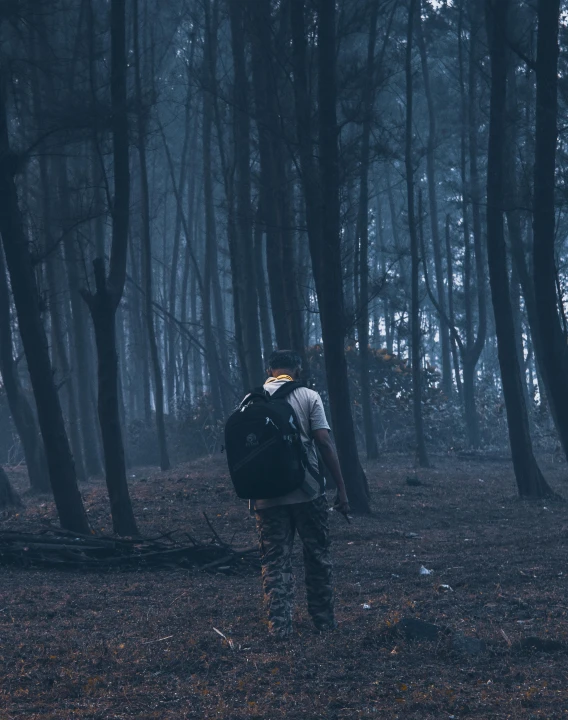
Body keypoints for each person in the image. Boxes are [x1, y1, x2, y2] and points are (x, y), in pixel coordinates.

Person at [251, 349, 350, 640]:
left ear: (269, 370)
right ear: (298, 369)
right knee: (317, 555)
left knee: (275, 560)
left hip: (266, 496)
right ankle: (324, 622)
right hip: (307, 492)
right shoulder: (308, 396)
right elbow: (324, 443)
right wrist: (341, 488)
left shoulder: (251, 400)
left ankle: (279, 627)